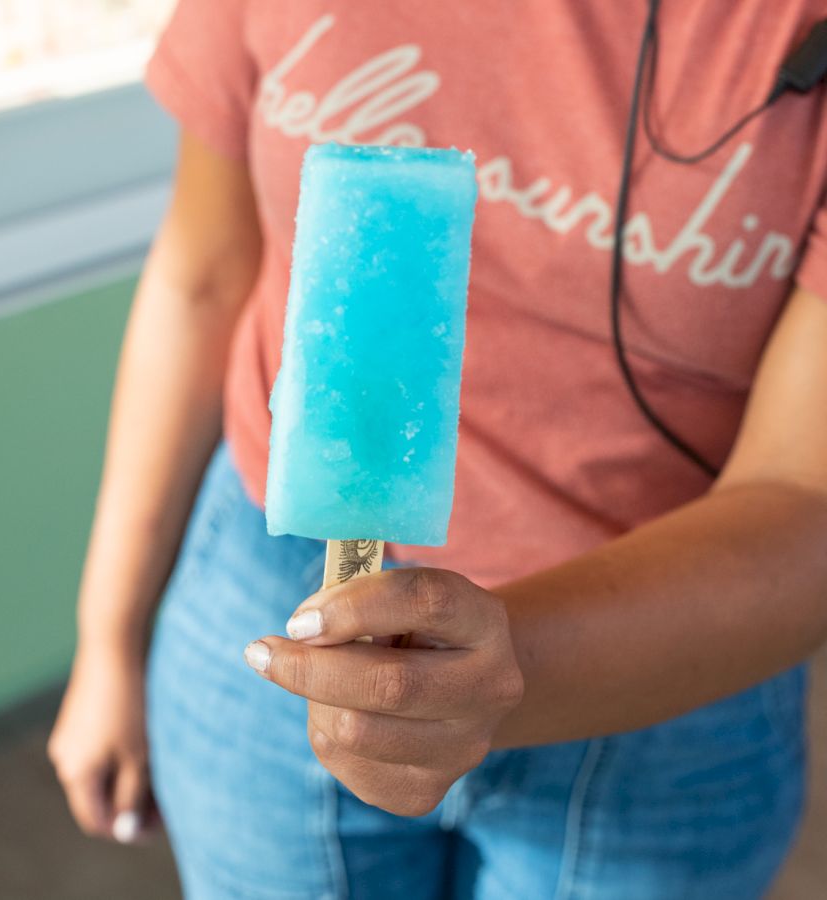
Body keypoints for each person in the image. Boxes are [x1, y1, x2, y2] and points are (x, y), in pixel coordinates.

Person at [47, 1, 827, 896]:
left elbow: (808, 490)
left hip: (673, 639)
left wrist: (504, 665)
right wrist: (108, 638)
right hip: (273, 586)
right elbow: (204, 272)